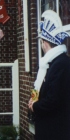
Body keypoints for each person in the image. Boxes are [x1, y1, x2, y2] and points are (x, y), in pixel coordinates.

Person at [28, 10, 70, 140]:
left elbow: (54, 100)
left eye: (41, 42)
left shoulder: (60, 64)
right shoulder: (51, 63)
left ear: (45, 43)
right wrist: (33, 98)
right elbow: (41, 86)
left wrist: (34, 106)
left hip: (55, 128)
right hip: (49, 125)